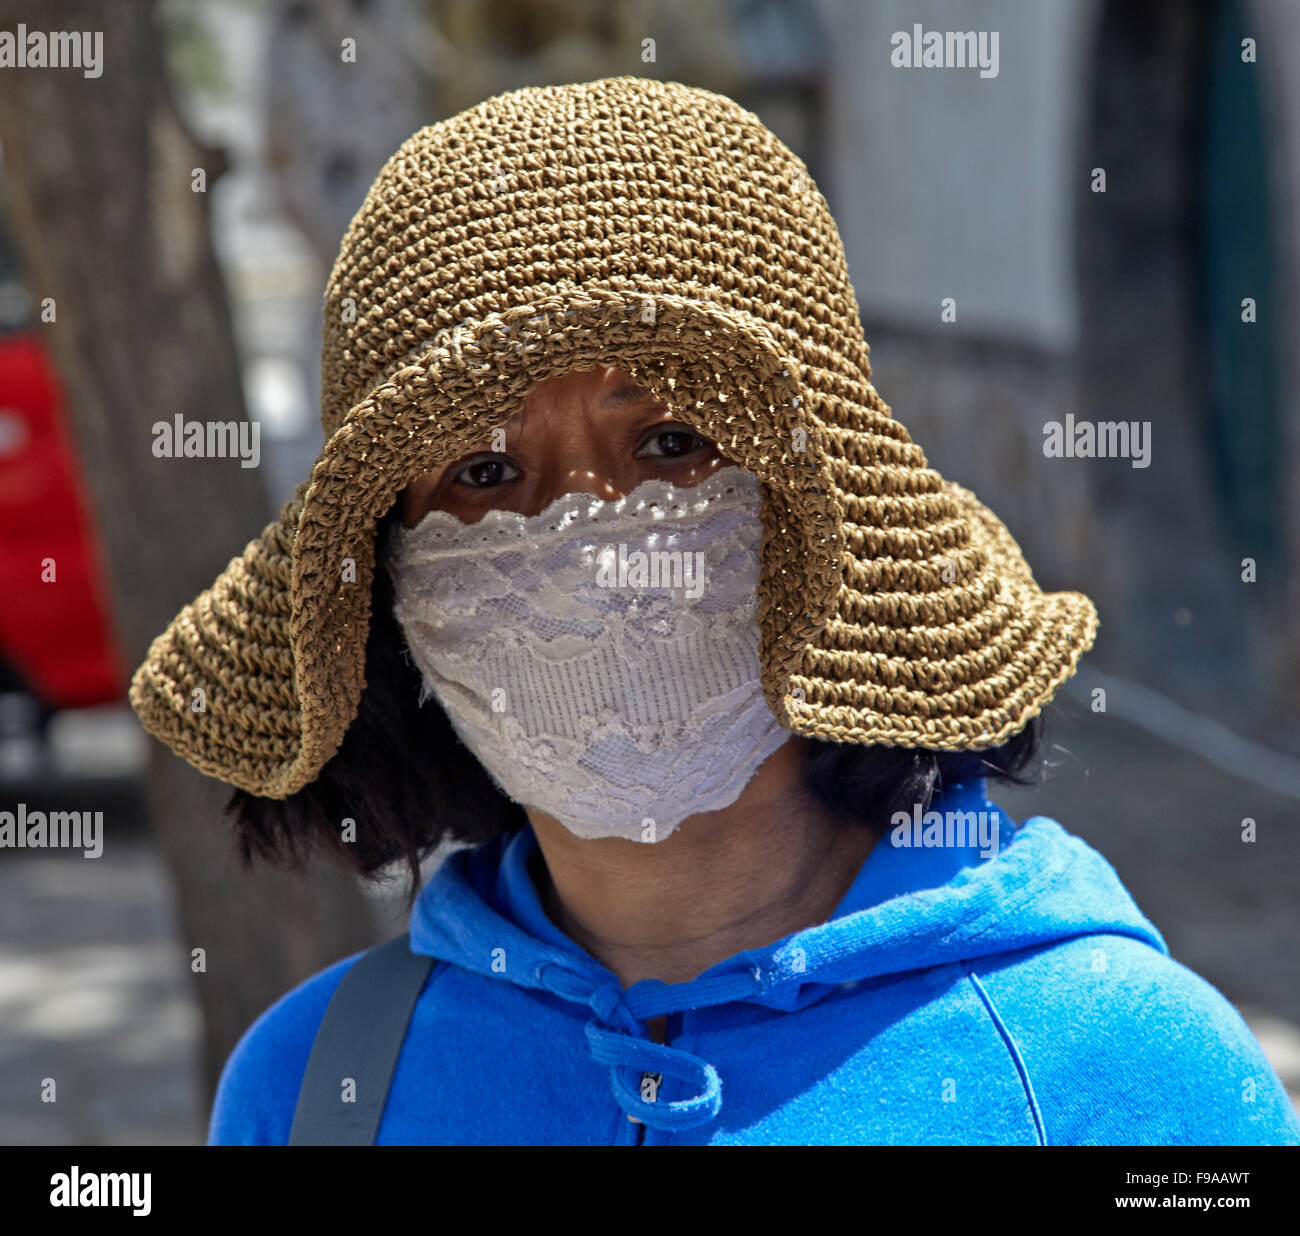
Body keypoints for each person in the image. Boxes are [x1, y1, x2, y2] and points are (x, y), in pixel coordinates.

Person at [129, 76, 1300, 1146]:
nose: (581, 532)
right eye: (483, 477)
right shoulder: (316, 1086)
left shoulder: (1119, 1072)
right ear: (389, 593)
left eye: (672, 444)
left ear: (826, 519)